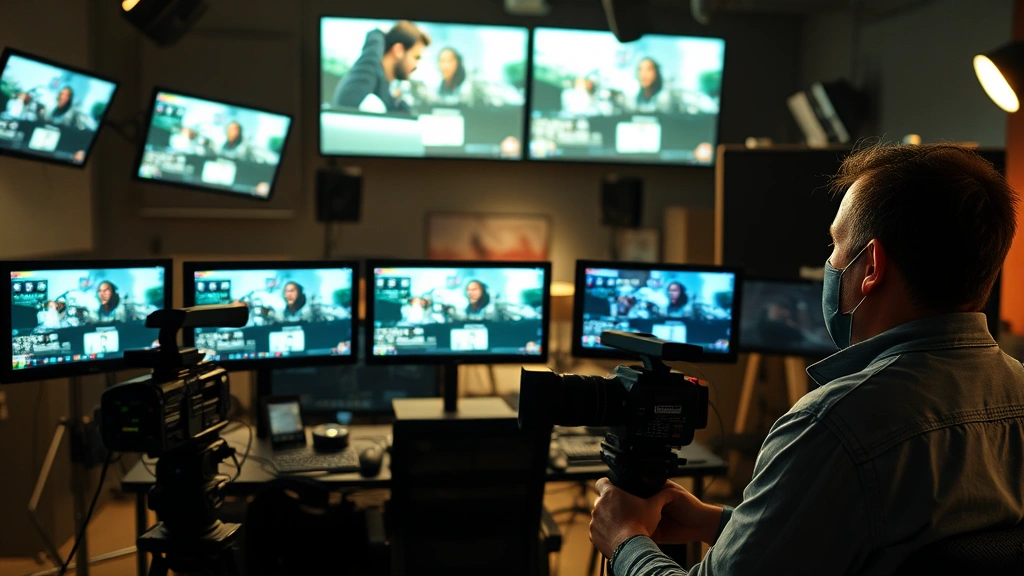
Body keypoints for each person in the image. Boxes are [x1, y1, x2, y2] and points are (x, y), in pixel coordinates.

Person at [589, 143, 1024, 575]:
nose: (830, 262)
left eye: (835, 243)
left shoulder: (832, 427)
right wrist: (721, 523)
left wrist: (626, 540)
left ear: (871, 266)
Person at [332, 20, 431, 114]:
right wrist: (377, 33)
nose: (416, 66)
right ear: (398, 50)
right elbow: (371, 55)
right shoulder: (367, 71)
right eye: (416, 57)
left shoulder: (385, 88)